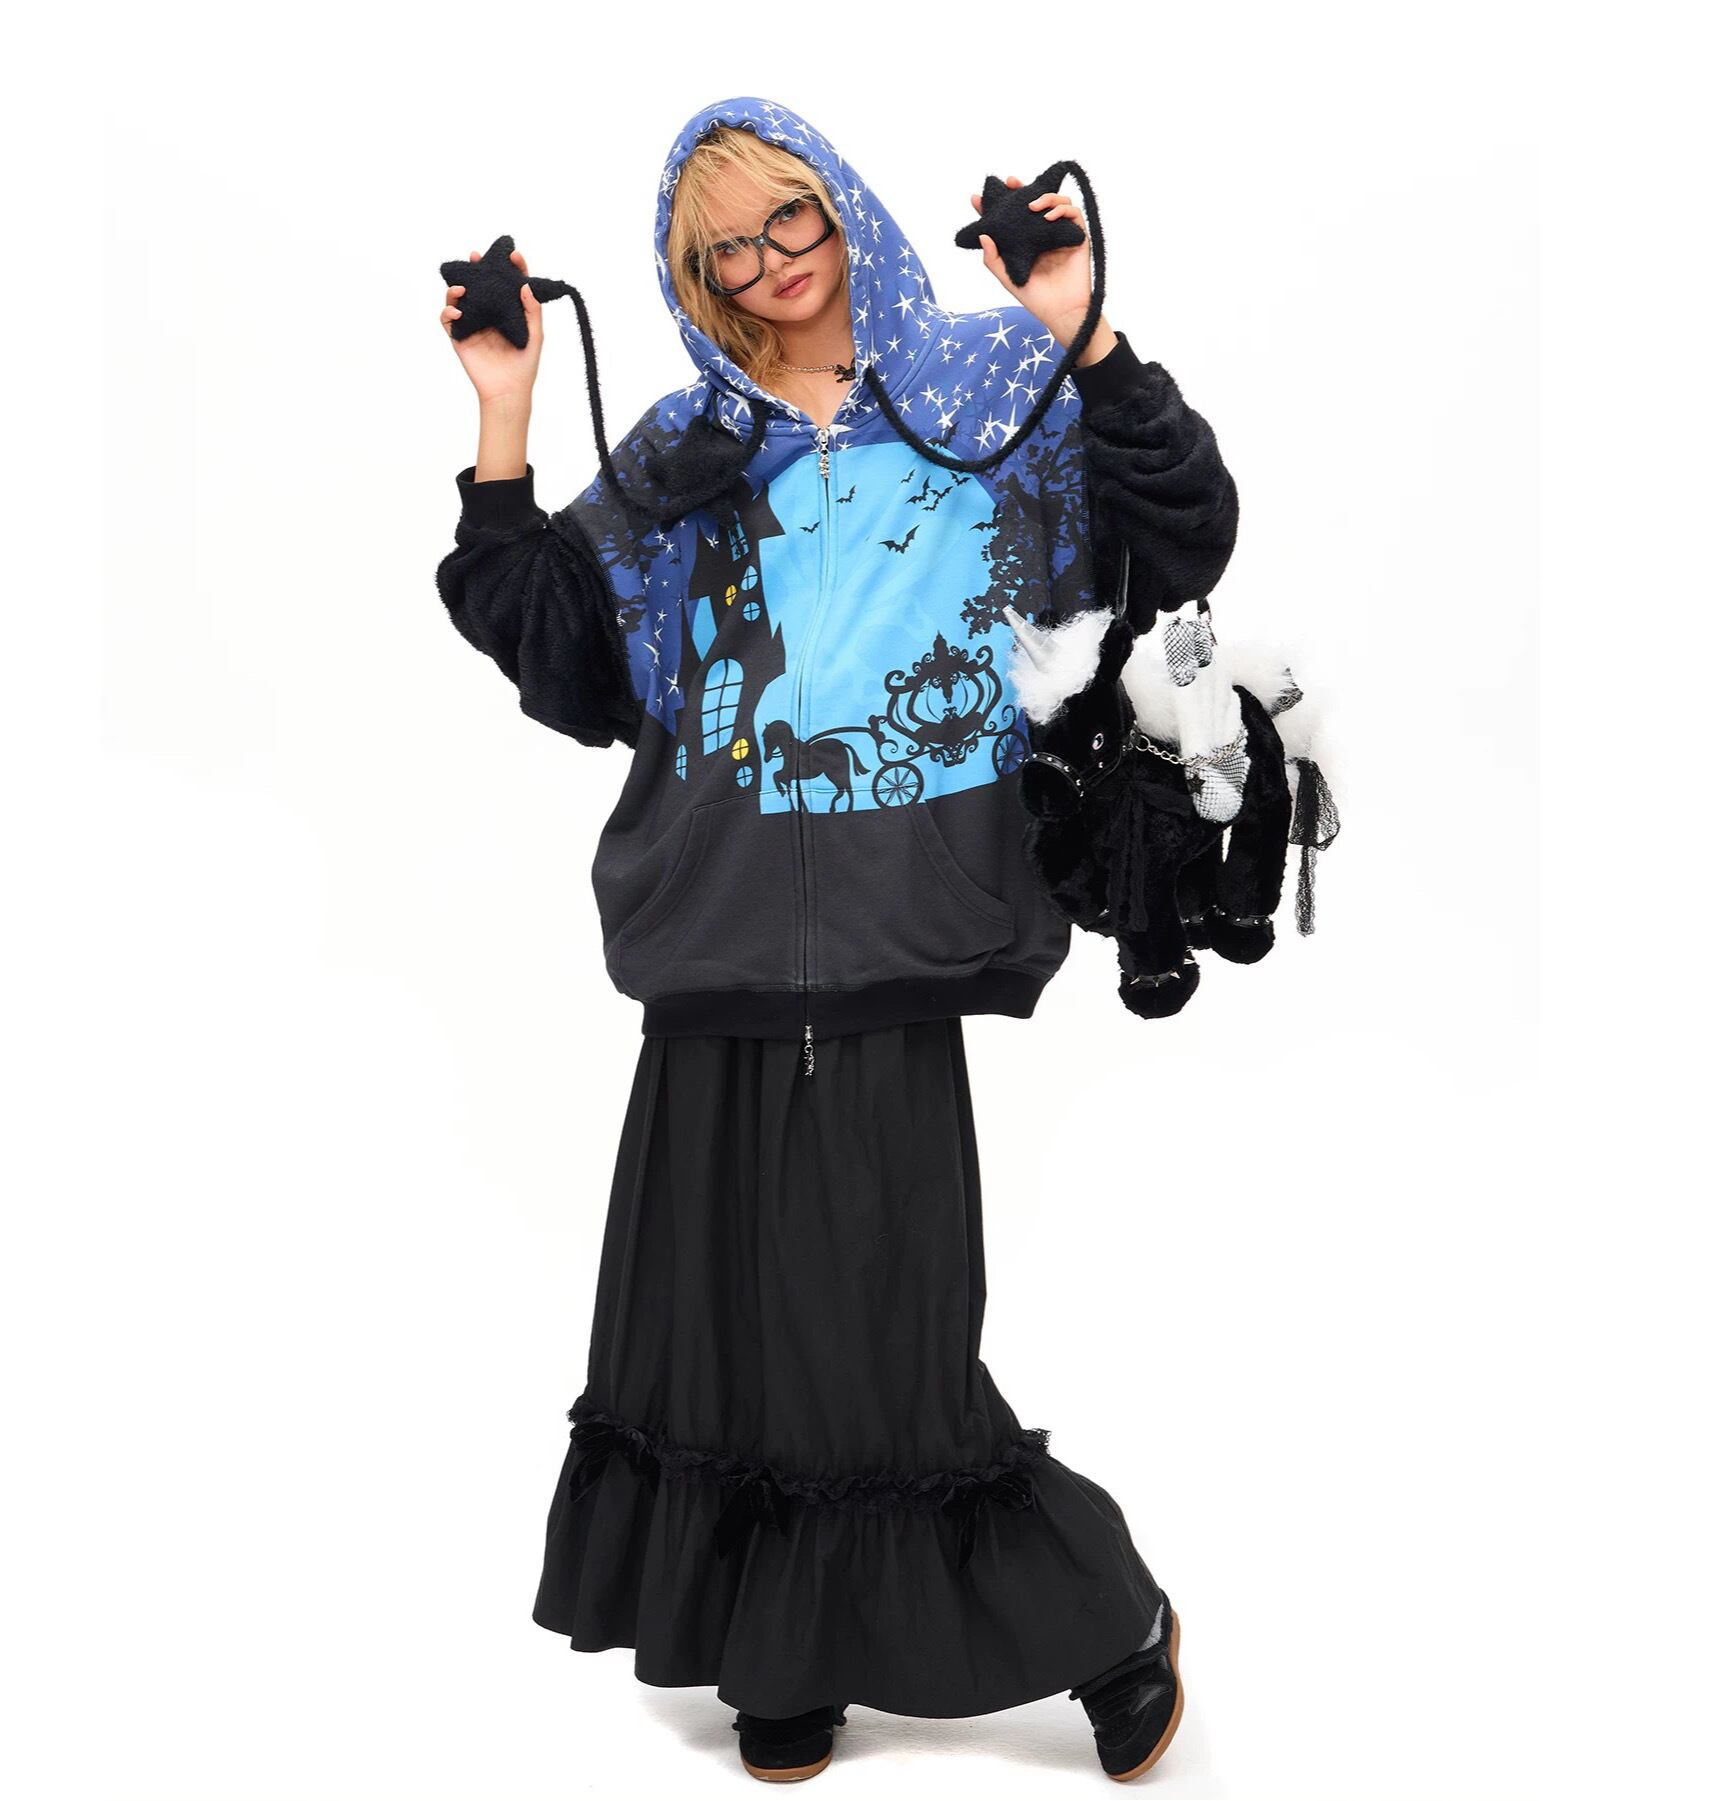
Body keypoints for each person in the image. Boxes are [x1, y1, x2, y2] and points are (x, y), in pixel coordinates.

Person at [434, 95, 1236, 1784]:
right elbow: (562, 654)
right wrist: (505, 416)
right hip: (711, 931)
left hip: (902, 922)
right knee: (704, 1328)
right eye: (722, 250)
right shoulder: (689, 447)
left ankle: (1107, 1622)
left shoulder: (985, 396)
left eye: (784, 221)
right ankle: (777, 1647)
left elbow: (1181, 528)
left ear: (840, 207)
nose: (766, 265)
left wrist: (1078, 329)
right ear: (693, 278)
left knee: (884, 1340)